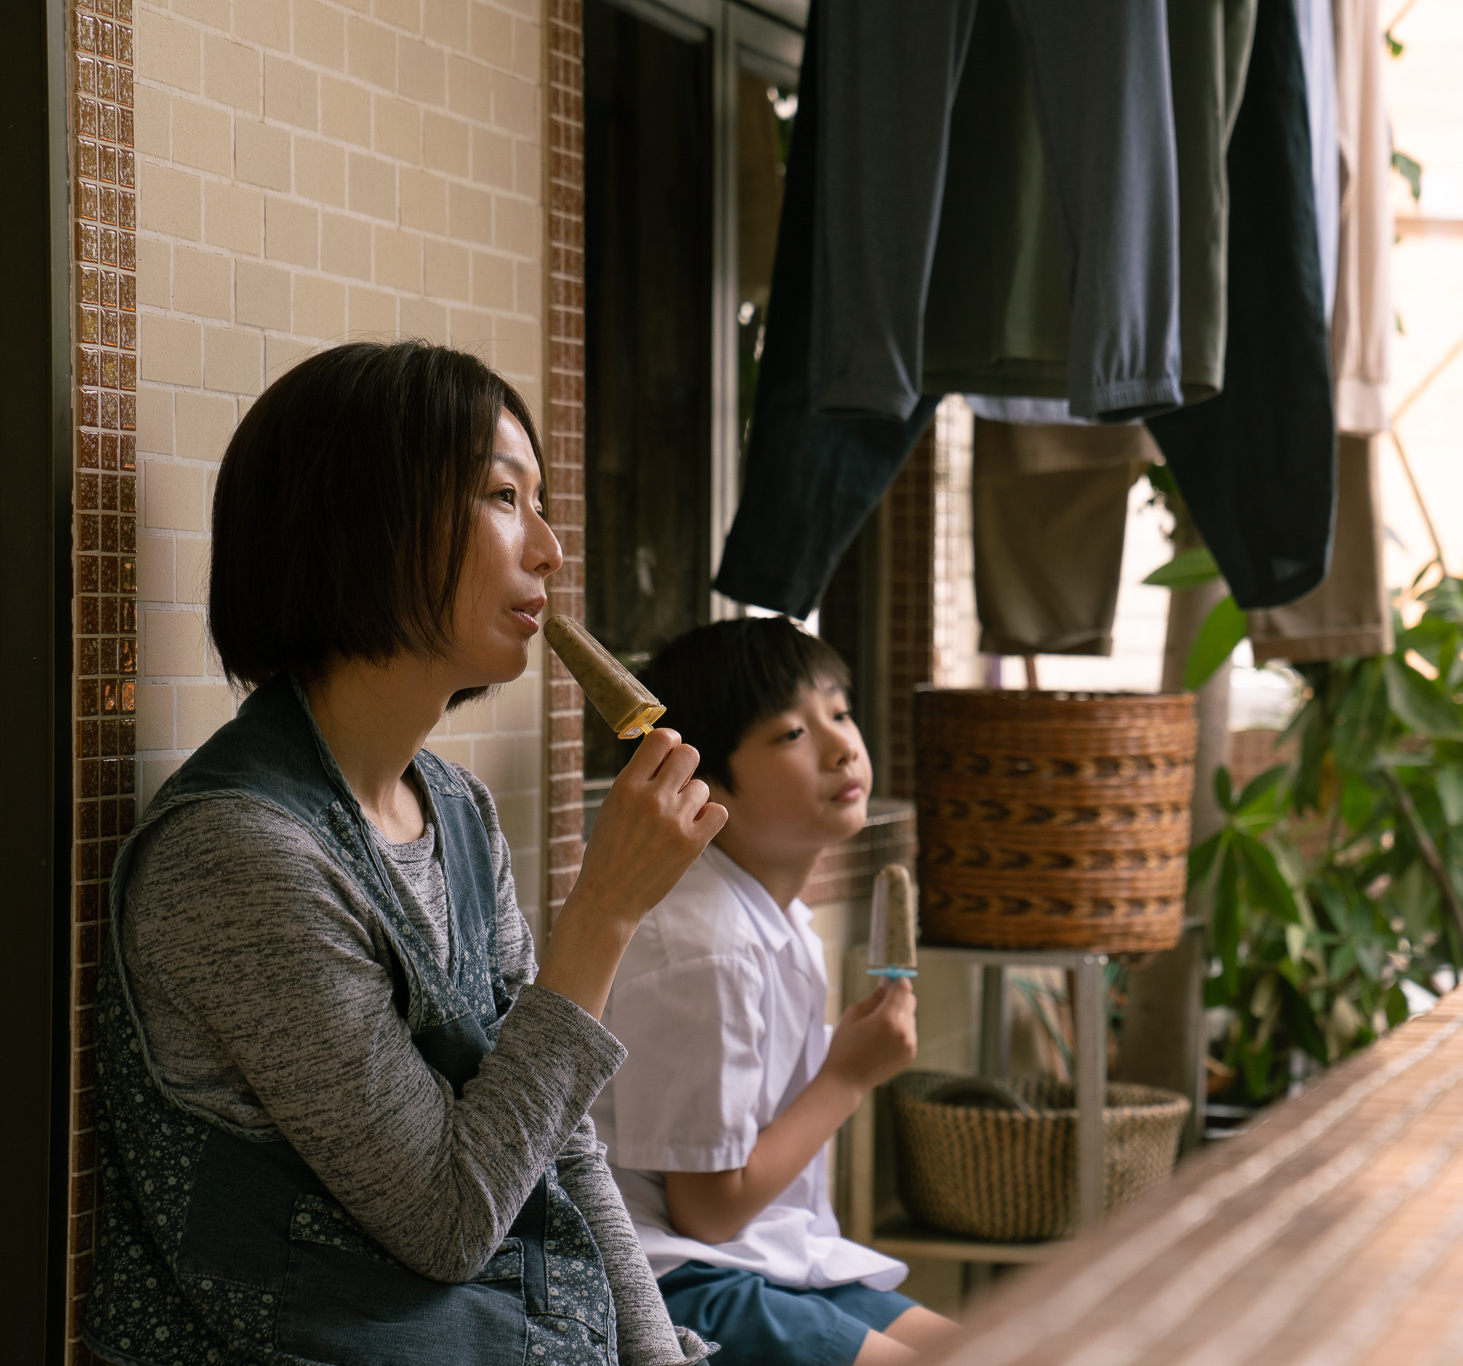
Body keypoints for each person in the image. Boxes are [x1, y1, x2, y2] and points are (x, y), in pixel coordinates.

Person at [88, 341, 725, 1366]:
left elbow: (558, 1141)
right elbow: (444, 1218)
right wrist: (603, 914)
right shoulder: (239, 856)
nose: (551, 550)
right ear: (363, 525)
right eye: (502, 497)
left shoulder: (458, 812)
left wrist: (652, 1358)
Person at [592, 619, 959, 1365]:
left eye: (839, 711)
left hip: (775, 1261)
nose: (840, 746)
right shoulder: (704, 945)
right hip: (678, 1286)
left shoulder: (775, 915)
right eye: (791, 733)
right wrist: (849, 1074)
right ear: (704, 780)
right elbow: (707, 1210)